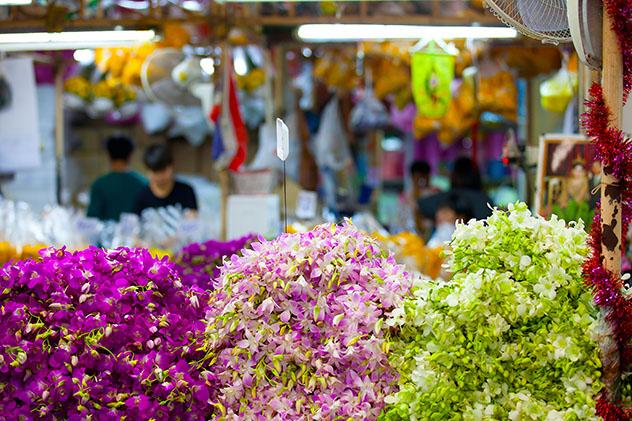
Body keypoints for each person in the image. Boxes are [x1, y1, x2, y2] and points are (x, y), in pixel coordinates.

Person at [87, 135, 147, 221]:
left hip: (107, 234)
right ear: (130, 156)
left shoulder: (99, 185)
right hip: (135, 234)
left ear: (109, 156)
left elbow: (92, 220)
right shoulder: (143, 184)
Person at [134, 144, 198, 215]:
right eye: (155, 172)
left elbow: (192, 221)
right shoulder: (142, 195)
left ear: (171, 167)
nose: (159, 177)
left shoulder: (186, 191)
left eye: (163, 171)